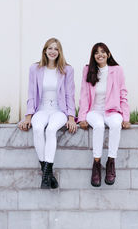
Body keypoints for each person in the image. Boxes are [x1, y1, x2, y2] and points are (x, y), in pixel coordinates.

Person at [18, 38, 76, 189]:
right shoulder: (35, 69)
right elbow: (31, 93)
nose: (52, 51)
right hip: (42, 109)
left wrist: (71, 117)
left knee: (51, 130)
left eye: (56, 49)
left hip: (59, 111)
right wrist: (28, 117)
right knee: (37, 129)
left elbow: (70, 94)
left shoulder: (67, 70)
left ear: (60, 52)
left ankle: (45, 175)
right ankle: (48, 174)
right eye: (49, 48)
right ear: (45, 51)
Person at [78, 42, 130, 187]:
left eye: (102, 52)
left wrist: (125, 118)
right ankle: (96, 164)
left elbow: (123, 94)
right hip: (94, 111)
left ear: (108, 54)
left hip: (112, 111)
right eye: (96, 52)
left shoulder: (117, 70)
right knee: (99, 126)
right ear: (93, 56)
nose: (99, 54)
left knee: (115, 124)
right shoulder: (88, 70)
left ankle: (111, 162)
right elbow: (83, 95)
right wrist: (82, 117)